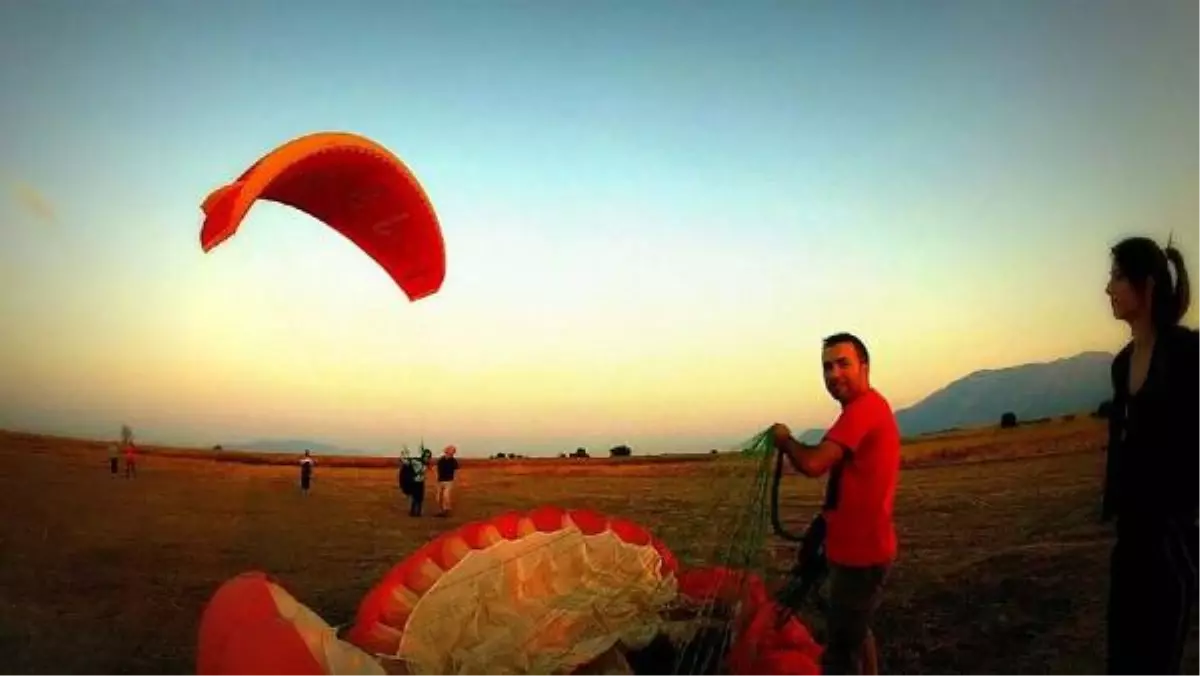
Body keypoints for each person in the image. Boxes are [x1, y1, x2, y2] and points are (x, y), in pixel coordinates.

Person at [770, 332, 900, 676]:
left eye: (843, 363)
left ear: (865, 366)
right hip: (851, 549)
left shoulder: (864, 409)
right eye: (827, 367)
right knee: (856, 631)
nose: (833, 374)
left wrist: (785, 441)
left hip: (862, 556)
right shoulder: (862, 410)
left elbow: (814, 464)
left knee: (840, 656)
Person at [1101, 235, 1196, 676]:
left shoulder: (1186, 352)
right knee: (1122, 659)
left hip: (1174, 538)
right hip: (1131, 541)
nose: (1108, 289)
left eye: (1118, 276)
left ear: (1148, 285)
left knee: (1159, 663)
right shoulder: (1121, 365)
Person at [407, 447, 433, 517]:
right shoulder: (416, 461)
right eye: (426, 456)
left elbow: (429, 470)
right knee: (415, 497)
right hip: (415, 482)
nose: (427, 458)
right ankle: (412, 512)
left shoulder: (426, 464)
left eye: (428, 456)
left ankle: (418, 512)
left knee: (420, 498)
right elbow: (409, 462)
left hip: (421, 482)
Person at [435, 445, 459, 517]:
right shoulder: (441, 460)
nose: (451, 453)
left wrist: (455, 480)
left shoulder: (454, 461)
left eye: (452, 451)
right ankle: (441, 510)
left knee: (446, 496)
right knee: (438, 497)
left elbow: (456, 471)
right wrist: (437, 477)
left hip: (449, 481)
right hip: (440, 480)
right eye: (450, 451)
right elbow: (437, 469)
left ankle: (446, 510)